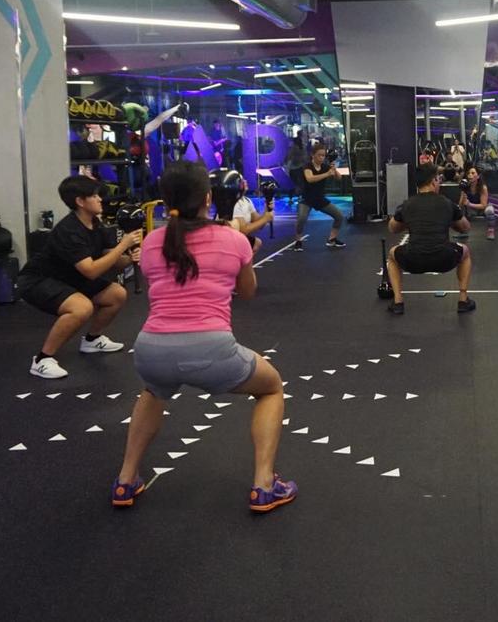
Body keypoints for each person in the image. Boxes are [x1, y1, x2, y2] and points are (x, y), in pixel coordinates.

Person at [110, 161, 296, 513]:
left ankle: (125, 480)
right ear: (208, 197)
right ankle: (264, 485)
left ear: (165, 200)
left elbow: (165, 287)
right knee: (271, 388)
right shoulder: (233, 240)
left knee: (152, 392)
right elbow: (248, 293)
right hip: (211, 350)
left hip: (151, 349)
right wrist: (246, 258)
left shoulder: (152, 242)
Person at [16, 175, 142, 379]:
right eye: (94, 196)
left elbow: (109, 259)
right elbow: (91, 270)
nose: (100, 199)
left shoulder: (95, 223)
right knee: (82, 308)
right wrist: (123, 246)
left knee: (116, 294)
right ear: (80, 201)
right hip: (37, 280)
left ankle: (92, 340)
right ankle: (42, 360)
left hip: (69, 276)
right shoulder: (69, 230)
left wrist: (128, 257)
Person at [386, 163, 474, 315]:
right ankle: (463, 299)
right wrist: (452, 217)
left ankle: (398, 301)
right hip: (443, 260)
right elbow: (465, 227)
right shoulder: (447, 203)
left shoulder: (407, 205)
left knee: (392, 254)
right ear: (434, 181)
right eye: (438, 179)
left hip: (414, 261)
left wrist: (409, 221)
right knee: (465, 252)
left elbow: (392, 228)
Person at [293, 142, 346, 250]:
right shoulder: (307, 166)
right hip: (307, 198)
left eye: (323, 155)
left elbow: (339, 178)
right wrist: (327, 174)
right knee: (301, 219)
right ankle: (298, 240)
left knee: (339, 216)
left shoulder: (325, 166)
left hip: (319, 199)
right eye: (319, 155)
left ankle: (332, 239)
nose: (322, 158)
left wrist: (333, 169)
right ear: (313, 155)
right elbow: (310, 179)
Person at [229, 175, 273, 253]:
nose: (245, 181)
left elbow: (259, 223)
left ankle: (245, 264)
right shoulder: (234, 202)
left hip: (239, 237)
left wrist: (267, 207)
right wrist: (266, 218)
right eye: (241, 180)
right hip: (230, 239)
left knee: (257, 243)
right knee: (253, 243)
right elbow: (243, 230)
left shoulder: (247, 200)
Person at [457, 165, 497, 240]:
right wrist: (463, 192)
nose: (470, 175)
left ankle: (490, 231)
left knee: (490, 210)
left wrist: (469, 204)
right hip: (471, 209)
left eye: (473, 173)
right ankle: (463, 231)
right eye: (469, 173)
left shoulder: (483, 188)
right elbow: (460, 205)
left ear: (478, 176)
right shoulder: (466, 187)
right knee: (458, 209)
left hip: (482, 209)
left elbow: (483, 205)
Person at [284, 134, 307, 209]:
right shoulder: (302, 148)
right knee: (300, 183)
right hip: (300, 168)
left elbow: (289, 157)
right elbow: (305, 158)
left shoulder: (293, 148)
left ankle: (291, 198)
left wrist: (285, 162)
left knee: (291, 184)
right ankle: (300, 197)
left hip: (293, 169)